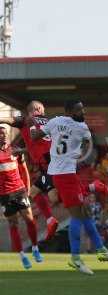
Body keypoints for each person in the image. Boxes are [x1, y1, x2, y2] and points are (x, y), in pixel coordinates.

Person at [31, 99, 108, 275]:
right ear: (69, 111)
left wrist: (37, 125)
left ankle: (101, 250)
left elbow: (35, 136)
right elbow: (87, 143)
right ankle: (76, 259)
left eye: (83, 109)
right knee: (77, 215)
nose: (83, 113)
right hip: (65, 175)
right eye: (79, 110)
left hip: (59, 174)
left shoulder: (55, 121)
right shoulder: (82, 128)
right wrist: (77, 149)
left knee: (84, 213)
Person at [0, 101, 59, 241]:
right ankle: (50, 220)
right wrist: (22, 150)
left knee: (54, 198)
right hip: (53, 161)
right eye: (42, 110)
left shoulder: (27, 120)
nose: (43, 112)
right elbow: (40, 145)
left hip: (49, 165)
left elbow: (8, 120)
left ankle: (90, 187)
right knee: (33, 192)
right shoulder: (48, 122)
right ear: (39, 109)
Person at [0, 126, 43, 269]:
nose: (4, 136)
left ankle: (35, 248)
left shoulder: (16, 150)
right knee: (13, 224)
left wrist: (28, 188)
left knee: (30, 220)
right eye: (1, 134)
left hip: (19, 190)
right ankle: (22, 255)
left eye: (5, 133)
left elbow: (24, 169)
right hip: (4, 195)